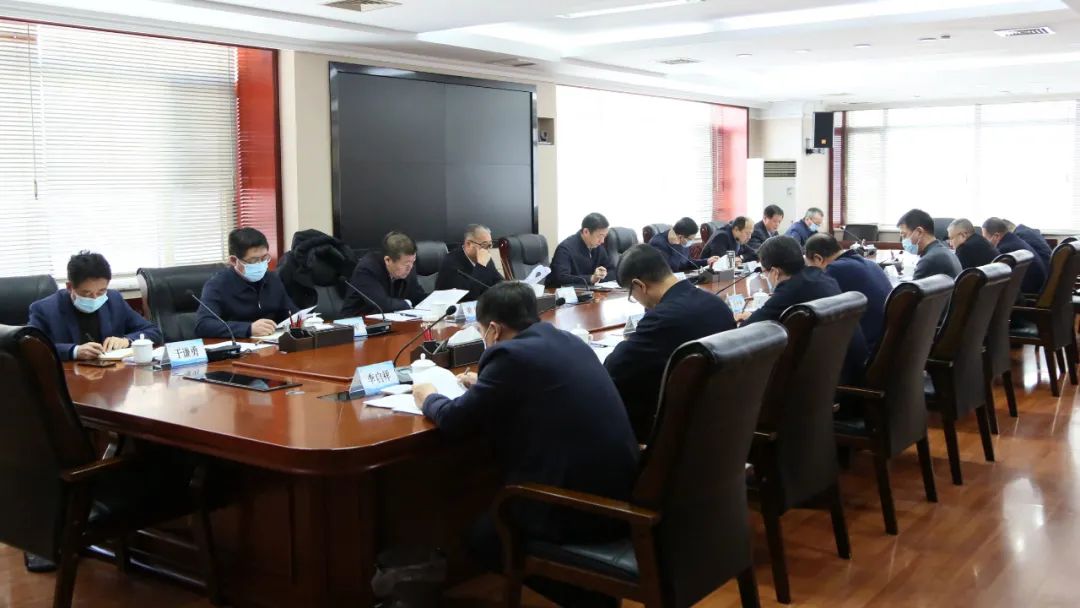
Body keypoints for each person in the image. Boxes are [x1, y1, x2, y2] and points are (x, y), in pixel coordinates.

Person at [413, 281, 638, 607]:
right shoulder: (566, 340)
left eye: (482, 332)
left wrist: (428, 397)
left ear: (493, 329)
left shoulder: (508, 356)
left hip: (580, 508)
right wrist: (487, 385)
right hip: (623, 493)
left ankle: (591, 599)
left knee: (483, 540)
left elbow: (454, 421)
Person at [604, 244, 735, 442]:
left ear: (640, 285)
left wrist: (630, 343)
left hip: (672, 434)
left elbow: (614, 370)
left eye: (632, 295)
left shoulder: (662, 320)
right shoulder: (717, 304)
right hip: (718, 425)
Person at [744, 235, 868, 382]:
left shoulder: (790, 291)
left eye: (764, 272)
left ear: (775, 272)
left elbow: (746, 330)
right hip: (853, 368)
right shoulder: (821, 277)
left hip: (832, 382)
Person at [28, 251, 163, 361]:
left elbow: (153, 331)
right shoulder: (44, 309)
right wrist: (74, 351)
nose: (94, 298)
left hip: (112, 376)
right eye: (86, 293)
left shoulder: (114, 300)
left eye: (101, 292)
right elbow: (33, 347)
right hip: (70, 377)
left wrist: (127, 341)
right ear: (70, 287)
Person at [196, 227, 296, 338]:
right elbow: (203, 325)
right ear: (234, 260)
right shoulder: (217, 285)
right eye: (253, 260)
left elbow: (291, 313)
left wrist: (304, 321)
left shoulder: (272, 279)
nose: (260, 264)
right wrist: (248, 329)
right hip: (237, 344)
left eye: (264, 258)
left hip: (272, 343)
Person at [804, 234, 891, 352]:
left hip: (869, 349)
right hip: (887, 344)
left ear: (818, 259)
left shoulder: (832, 270)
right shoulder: (870, 263)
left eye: (810, 267)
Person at [341, 231, 427, 316]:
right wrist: (407, 303)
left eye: (413, 261)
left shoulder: (409, 267)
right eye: (406, 264)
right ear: (388, 260)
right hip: (356, 321)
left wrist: (432, 302)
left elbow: (418, 297)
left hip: (391, 320)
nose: (410, 267)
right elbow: (382, 305)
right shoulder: (367, 269)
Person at [434, 224, 502, 301]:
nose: (487, 250)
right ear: (468, 244)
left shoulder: (486, 257)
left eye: (489, 245)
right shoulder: (450, 263)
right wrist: (481, 266)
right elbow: (468, 296)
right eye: (484, 245)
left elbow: (498, 282)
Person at [983, 217, 1047, 294]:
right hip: (1039, 287)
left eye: (985, 238)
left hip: (1031, 293)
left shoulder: (1005, 250)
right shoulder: (1015, 240)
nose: (984, 242)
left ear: (996, 236)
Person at [548, 213, 614, 287]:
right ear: (586, 232)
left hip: (591, 291)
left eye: (604, 236)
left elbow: (612, 271)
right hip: (565, 293)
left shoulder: (598, 247)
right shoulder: (565, 248)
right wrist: (591, 278)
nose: (602, 241)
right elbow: (561, 278)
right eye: (600, 236)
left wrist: (602, 275)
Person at [897, 208, 962, 280]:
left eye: (904, 235)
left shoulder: (929, 260)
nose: (903, 241)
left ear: (919, 232)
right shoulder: (945, 252)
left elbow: (912, 287)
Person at [647, 217, 720, 272]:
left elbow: (687, 262)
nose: (691, 242)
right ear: (680, 237)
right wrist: (676, 245)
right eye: (690, 239)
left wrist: (707, 261)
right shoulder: (658, 243)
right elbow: (672, 269)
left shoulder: (682, 241)